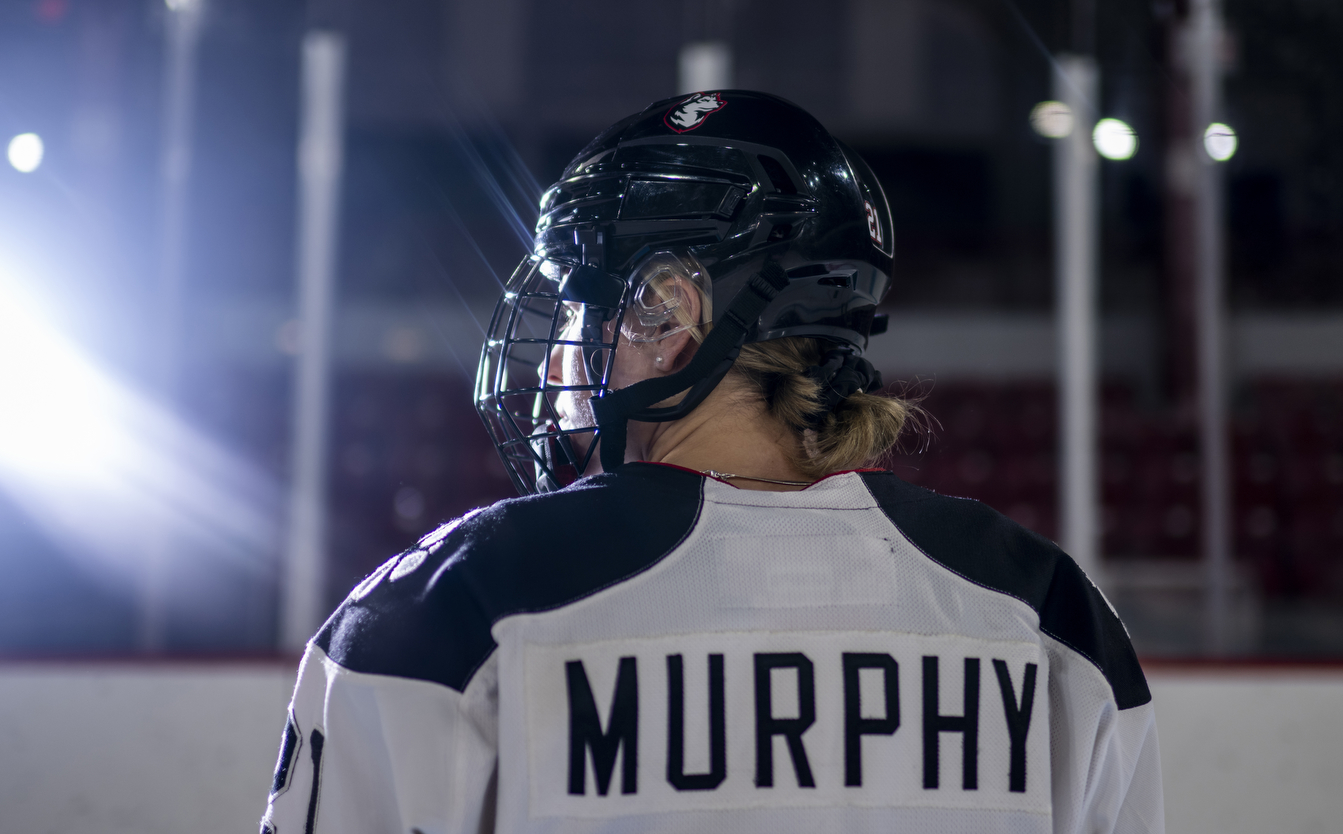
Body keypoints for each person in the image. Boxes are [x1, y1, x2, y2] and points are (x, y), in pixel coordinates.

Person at [261, 91, 1163, 834]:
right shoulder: (1048, 613)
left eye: (585, 305)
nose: (560, 355)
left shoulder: (454, 603)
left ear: (667, 313)